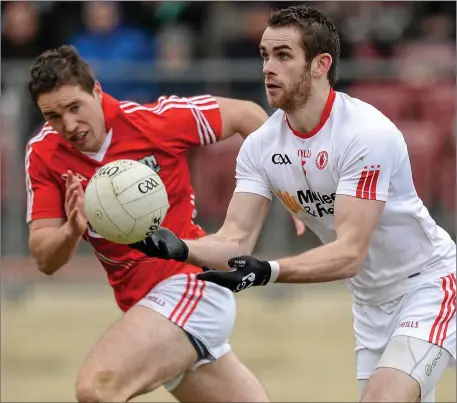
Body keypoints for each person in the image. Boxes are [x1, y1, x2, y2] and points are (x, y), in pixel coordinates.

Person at [131, 5, 457, 403]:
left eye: (283, 55)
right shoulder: (260, 147)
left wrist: (270, 271)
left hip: (429, 284)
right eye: (265, 55)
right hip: (371, 303)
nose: (268, 67)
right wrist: (180, 247)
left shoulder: (366, 134)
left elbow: (350, 253)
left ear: (321, 64)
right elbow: (235, 241)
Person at [25, 44, 272, 403]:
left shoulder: (153, 121)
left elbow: (247, 115)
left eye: (74, 107)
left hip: (191, 284)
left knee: (97, 389)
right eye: (53, 116)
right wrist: (71, 230)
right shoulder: (44, 153)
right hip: (148, 308)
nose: (69, 125)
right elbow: (44, 258)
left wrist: (286, 187)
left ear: (96, 91)